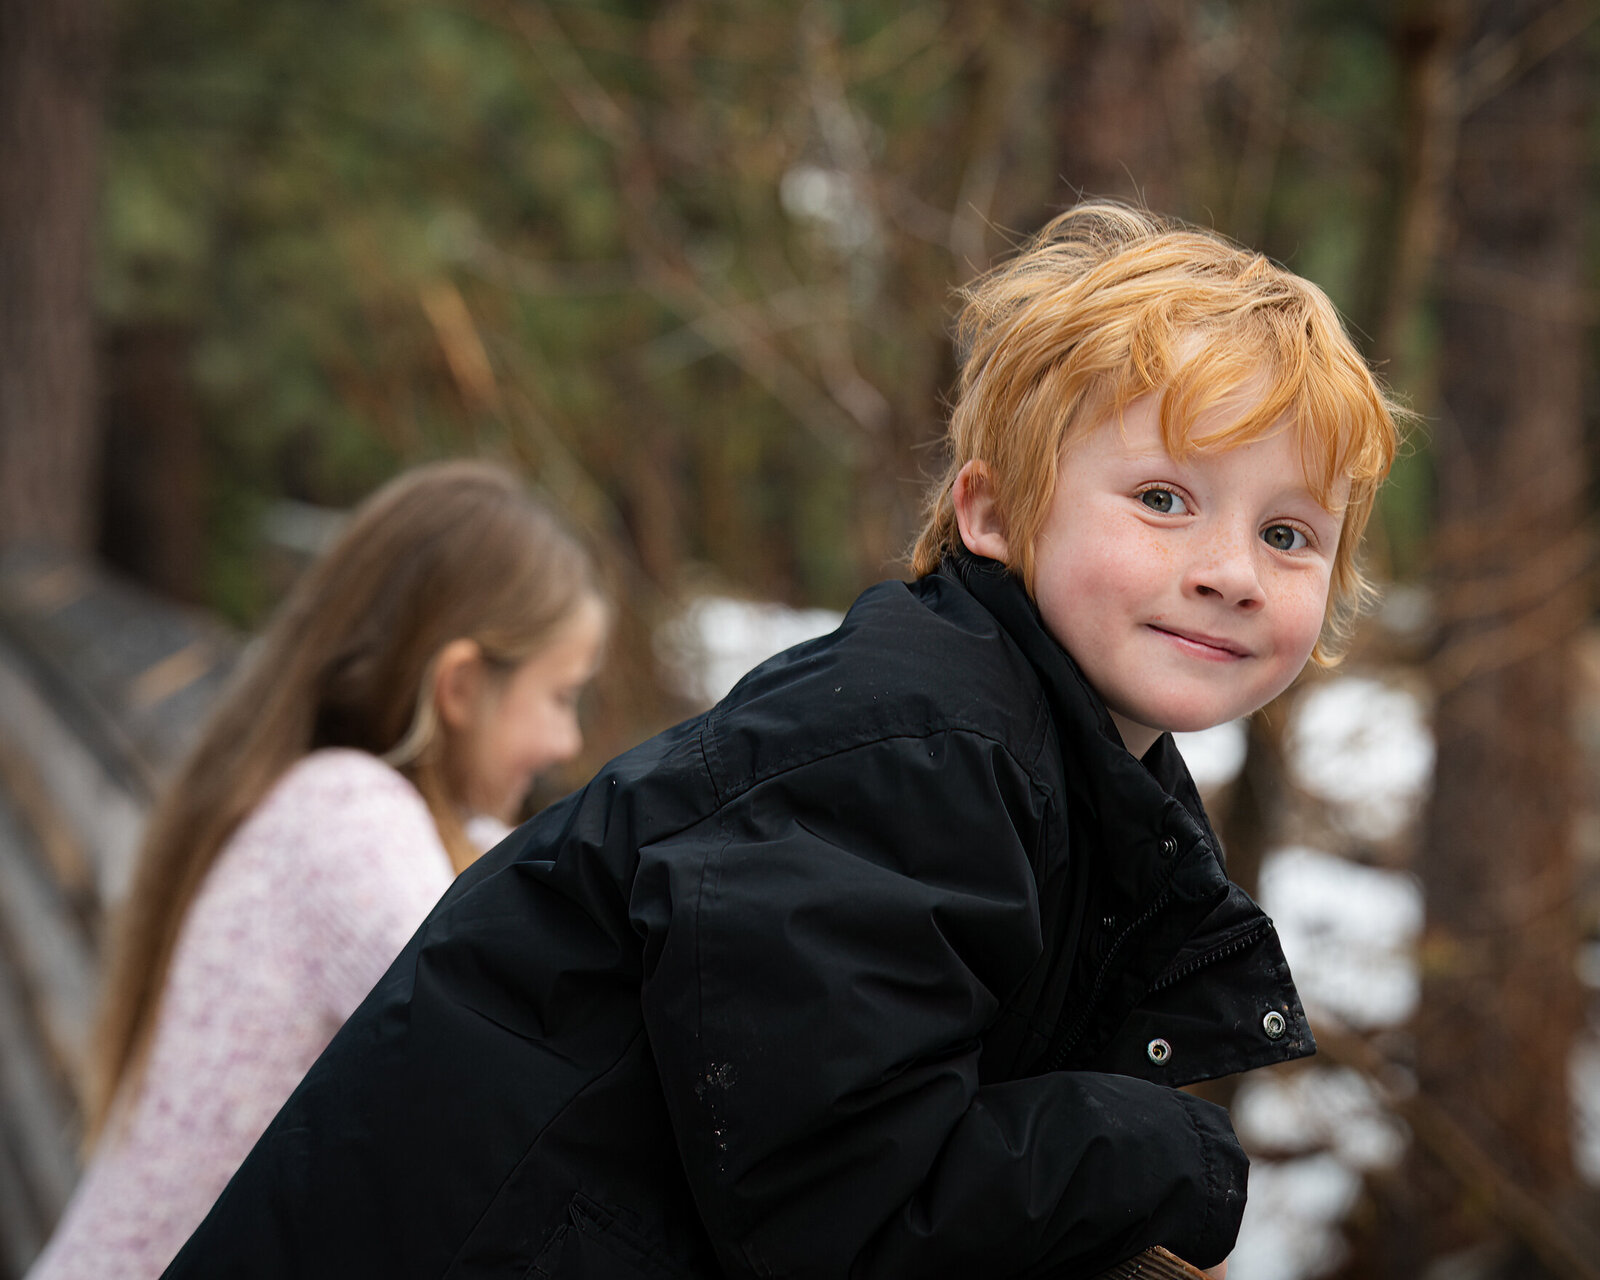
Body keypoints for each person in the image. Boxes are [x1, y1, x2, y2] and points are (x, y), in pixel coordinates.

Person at [162, 203, 1400, 1279]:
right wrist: (1164, 1145)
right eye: (1164, 499)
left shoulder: (1055, 766)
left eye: (1290, 534)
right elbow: (841, 1203)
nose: (1231, 570)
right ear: (992, 513)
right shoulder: (908, 750)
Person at [27, 461, 607, 1280]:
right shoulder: (348, 819)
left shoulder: (318, 796)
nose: (569, 744)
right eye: (560, 696)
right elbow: (524, 1058)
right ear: (462, 686)